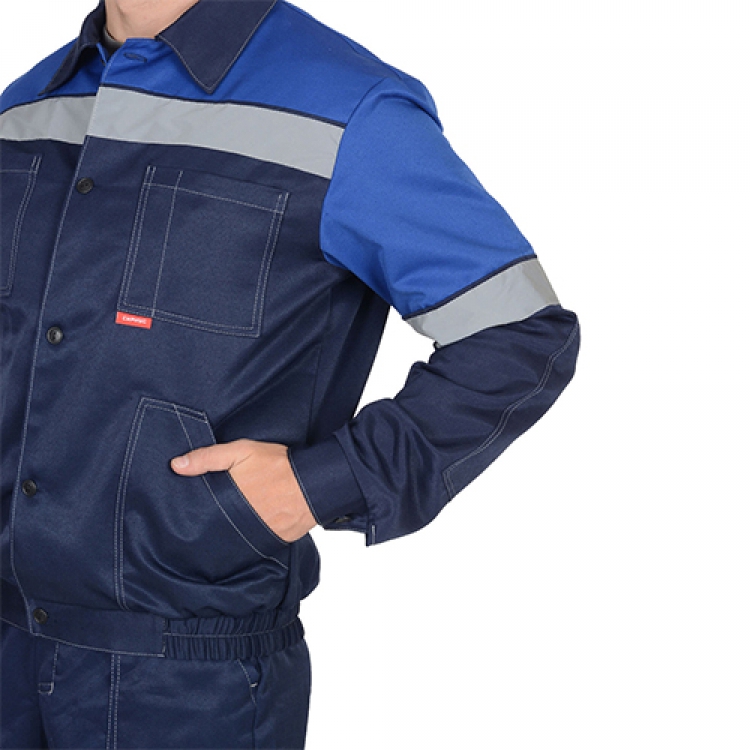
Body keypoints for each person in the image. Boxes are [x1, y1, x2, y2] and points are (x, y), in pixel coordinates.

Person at [0, 0, 580, 747]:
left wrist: (324, 482)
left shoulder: (346, 108)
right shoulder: (27, 107)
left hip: (188, 679)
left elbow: (519, 335)